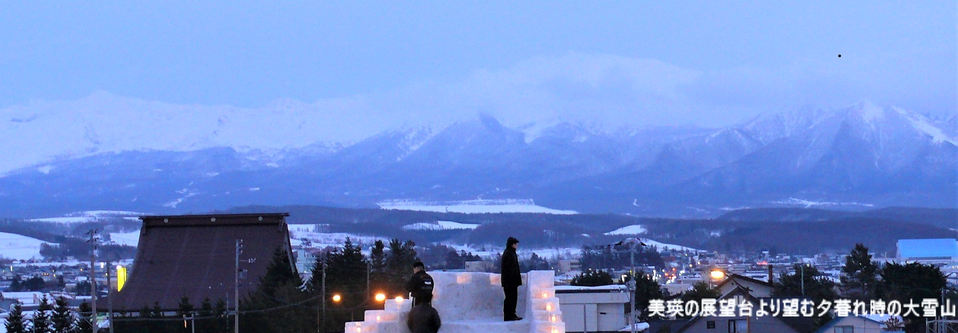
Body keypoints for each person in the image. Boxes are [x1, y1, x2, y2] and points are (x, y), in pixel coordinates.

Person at [500, 236, 522, 321]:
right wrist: (513, 280)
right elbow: (510, 269)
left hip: (509, 281)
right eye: (516, 244)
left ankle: (510, 314)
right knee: (511, 298)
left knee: (510, 298)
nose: (517, 245)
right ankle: (510, 315)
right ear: (512, 244)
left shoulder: (509, 253)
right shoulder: (510, 254)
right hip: (510, 282)